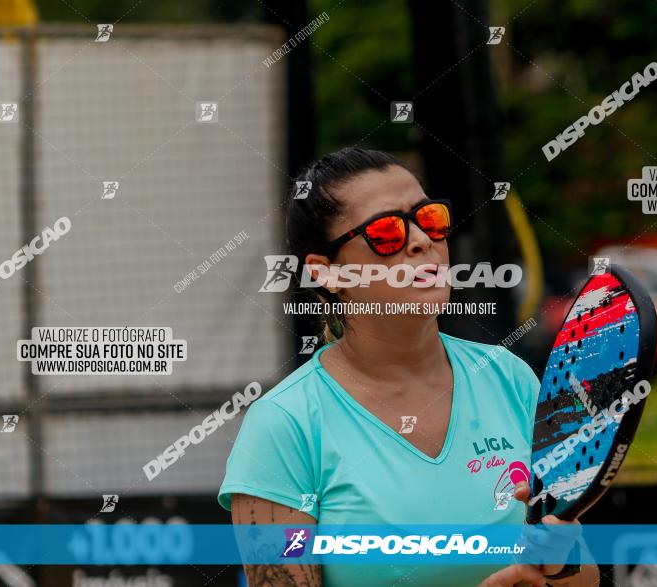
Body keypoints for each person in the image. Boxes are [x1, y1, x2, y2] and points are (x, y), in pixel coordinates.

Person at [219, 147, 599, 586]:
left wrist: (559, 563)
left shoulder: (509, 377)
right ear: (327, 273)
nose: (422, 240)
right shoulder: (285, 425)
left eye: (430, 218)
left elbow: (580, 575)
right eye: (386, 233)